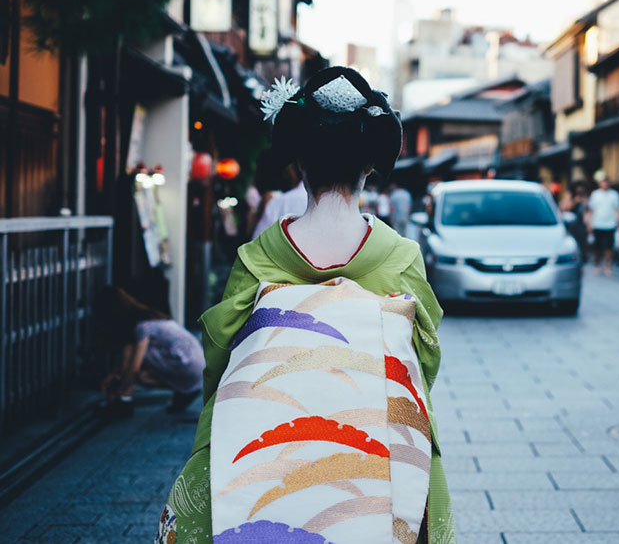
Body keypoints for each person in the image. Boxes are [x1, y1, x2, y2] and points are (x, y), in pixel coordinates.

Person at [156, 67, 455, 543]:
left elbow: (220, 366)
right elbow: (422, 366)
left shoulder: (256, 260)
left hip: (258, 465)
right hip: (380, 463)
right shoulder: (401, 259)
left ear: (299, 163)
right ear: (369, 164)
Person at [97, 286, 204, 417]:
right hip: (198, 368)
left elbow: (134, 366)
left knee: (135, 357)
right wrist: (115, 374)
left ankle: (123, 398)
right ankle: (185, 390)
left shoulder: (142, 327)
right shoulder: (153, 319)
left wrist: (119, 387)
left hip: (188, 366)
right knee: (140, 373)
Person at [251, 161, 308, 239]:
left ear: (292, 173)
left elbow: (258, 238)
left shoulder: (278, 201)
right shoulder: (321, 202)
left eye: (286, 173)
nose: (285, 176)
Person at [586, 170, 619, 276]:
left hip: (610, 224)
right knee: (597, 248)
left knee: (609, 247)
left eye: (606, 182)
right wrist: (589, 223)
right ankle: (597, 265)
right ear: (600, 183)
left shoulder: (614, 195)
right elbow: (591, 210)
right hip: (597, 224)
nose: (605, 184)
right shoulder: (595, 194)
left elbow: (618, 210)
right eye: (603, 182)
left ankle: (607, 266)